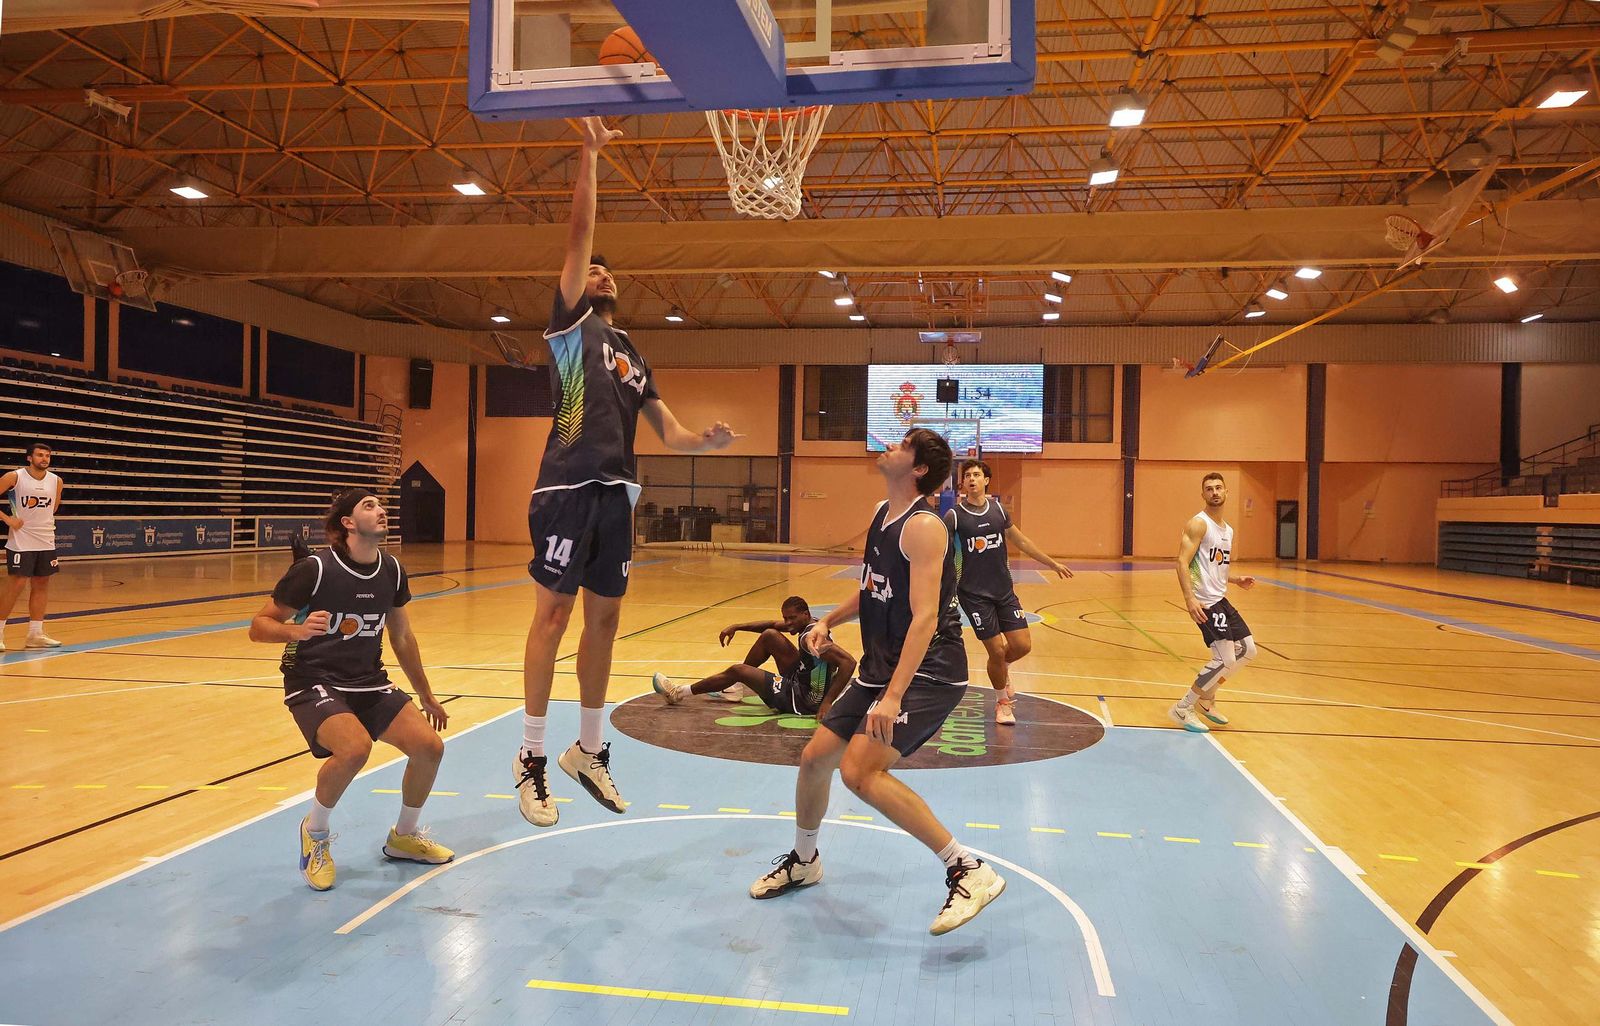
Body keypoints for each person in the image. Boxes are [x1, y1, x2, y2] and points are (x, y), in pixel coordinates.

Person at [517, 115, 739, 828]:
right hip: (566, 484)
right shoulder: (569, 327)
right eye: (594, 268)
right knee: (552, 616)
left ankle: (589, 750)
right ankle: (530, 758)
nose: (602, 269)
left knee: (604, 624)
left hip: (617, 492)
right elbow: (579, 235)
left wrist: (704, 441)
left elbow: (669, 431)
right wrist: (587, 153)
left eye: (610, 269)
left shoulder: (633, 353)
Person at [747, 428, 1006, 936]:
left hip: (929, 670)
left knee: (859, 773)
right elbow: (872, 588)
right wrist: (828, 620)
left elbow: (925, 618)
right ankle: (805, 861)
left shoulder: (925, 527)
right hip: (881, 665)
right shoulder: (879, 515)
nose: (890, 445)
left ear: (918, 470)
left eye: (903, 445)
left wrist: (891, 697)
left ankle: (968, 870)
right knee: (814, 757)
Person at [250, 489, 454, 890]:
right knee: (355, 748)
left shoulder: (392, 570)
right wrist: (295, 630)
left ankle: (404, 837)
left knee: (430, 748)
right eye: (369, 505)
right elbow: (258, 626)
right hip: (313, 680)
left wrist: (426, 694)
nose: (381, 511)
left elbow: (402, 636)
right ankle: (316, 835)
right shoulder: (315, 569)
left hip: (368, 680)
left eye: (381, 505)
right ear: (347, 523)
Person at [944, 459, 1072, 725]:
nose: (971, 479)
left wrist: (1052, 563)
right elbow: (941, 553)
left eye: (976, 474)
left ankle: (1002, 669)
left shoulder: (999, 511)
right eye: (967, 475)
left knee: (1022, 646)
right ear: (963, 482)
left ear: (986, 480)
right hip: (973, 594)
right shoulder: (955, 516)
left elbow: (1022, 541)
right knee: (996, 652)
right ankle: (1002, 703)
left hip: (1003, 591)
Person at [651, 596, 855, 718]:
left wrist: (827, 702)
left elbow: (848, 662)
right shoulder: (811, 624)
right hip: (803, 680)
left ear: (805, 614)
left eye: (791, 618)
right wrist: (738, 627)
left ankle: (678, 693)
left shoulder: (810, 638)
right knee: (770, 636)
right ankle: (733, 687)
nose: (788, 623)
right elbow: (772, 625)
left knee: (738, 670)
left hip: (803, 699)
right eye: (786, 618)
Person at [1170, 472, 1258, 733]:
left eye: (1219, 488)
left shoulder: (1227, 530)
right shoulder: (1199, 524)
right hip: (1205, 603)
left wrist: (1235, 579)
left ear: (1226, 492)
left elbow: (1212, 567)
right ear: (1203, 495)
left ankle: (1206, 698)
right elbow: (1182, 562)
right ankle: (1183, 707)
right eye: (1209, 489)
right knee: (1224, 659)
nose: (1215, 492)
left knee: (1248, 650)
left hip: (1221, 598)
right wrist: (1190, 599)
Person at [0, 442, 64, 651]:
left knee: (41, 583)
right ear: (29, 457)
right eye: (39, 455)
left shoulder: (56, 481)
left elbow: (53, 508)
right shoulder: (14, 477)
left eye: (47, 455)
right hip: (21, 540)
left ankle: (35, 634)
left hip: (45, 539)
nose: (44, 459)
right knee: (16, 584)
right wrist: (8, 520)